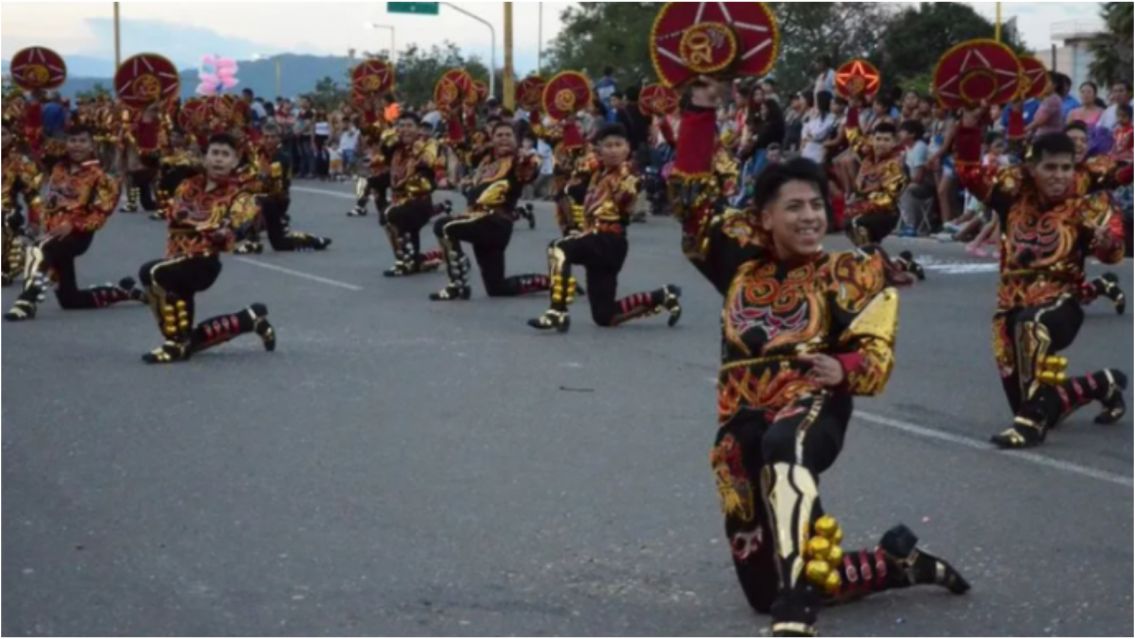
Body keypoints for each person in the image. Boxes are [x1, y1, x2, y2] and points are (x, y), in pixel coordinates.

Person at [670, 88, 969, 632]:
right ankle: (894, 564)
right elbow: (691, 206)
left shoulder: (847, 273)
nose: (810, 217)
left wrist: (846, 369)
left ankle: (796, 607)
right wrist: (699, 110)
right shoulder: (738, 268)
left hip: (813, 405)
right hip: (741, 419)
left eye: (816, 205)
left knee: (783, 447)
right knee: (762, 580)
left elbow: (874, 346)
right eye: (794, 207)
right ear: (764, 216)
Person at [955, 114, 1128, 449]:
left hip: (1061, 305)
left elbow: (1112, 255)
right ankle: (1102, 384)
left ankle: (1032, 426)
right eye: (1050, 168)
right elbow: (968, 172)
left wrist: (1107, 241)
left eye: (1065, 168)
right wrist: (969, 127)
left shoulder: (1087, 203)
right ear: (1033, 168)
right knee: (1031, 399)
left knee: (1031, 327)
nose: (1059, 176)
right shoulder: (1012, 195)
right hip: (1010, 306)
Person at [527, 124, 681, 332]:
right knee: (605, 316)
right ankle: (662, 295)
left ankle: (557, 311)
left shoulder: (628, 175)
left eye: (618, 145)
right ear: (598, 151)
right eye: (608, 146)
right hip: (599, 241)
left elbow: (625, 194)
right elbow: (568, 188)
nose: (614, 150)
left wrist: (632, 186)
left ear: (627, 149)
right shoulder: (597, 174)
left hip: (608, 239)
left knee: (559, 248)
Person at [136, 133, 275, 364]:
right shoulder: (187, 183)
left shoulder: (239, 194)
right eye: (215, 153)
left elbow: (242, 221)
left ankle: (175, 345)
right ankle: (249, 319)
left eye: (225, 155)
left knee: (151, 272)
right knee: (189, 334)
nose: (219, 160)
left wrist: (227, 231)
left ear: (235, 160)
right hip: (176, 257)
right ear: (205, 156)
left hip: (202, 261)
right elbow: (151, 160)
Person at [4, 124, 145, 321]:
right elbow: (33, 143)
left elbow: (102, 211)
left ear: (91, 144)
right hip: (53, 232)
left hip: (77, 235)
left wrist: (74, 224)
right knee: (70, 300)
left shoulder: (102, 176)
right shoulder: (59, 167)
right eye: (72, 140)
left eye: (82, 141)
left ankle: (26, 301)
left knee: (39, 249)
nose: (76, 146)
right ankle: (123, 291)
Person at [429, 122, 550, 301]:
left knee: (444, 226)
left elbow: (529, 172)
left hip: (495, 223)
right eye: (499, 135)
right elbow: (461, 149)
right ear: (492, 139)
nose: (503, 139)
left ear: (516, 140)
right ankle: (552, 281)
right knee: (496, 287)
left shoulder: (517, 161)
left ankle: (457, 285)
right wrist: (455, 118)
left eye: (508, 135)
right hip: (481, 224)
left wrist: (528, 160)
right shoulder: (487, 161)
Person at [842, 116, 925, 284]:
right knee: (859, 233)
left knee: (856, 224)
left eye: (886, 140)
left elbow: (889, 197)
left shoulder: (896, 164)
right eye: (878, 139)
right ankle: (902, 263)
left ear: (894, 142)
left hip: (885, 213)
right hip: (866, 209)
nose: (881, 143)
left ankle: (891, 273)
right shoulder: (868, 154)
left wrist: (860, 205)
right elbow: (853, 135)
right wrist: (852, 104)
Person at [243, 123, 332, 252]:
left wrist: (256, 181)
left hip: (276, 199)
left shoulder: (282, 157)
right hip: (263, 197)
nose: (269, 140)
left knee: (279, 244)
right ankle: (252, 234)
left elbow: (274, 185)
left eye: (272, 137)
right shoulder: (260, 154)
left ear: (278, 138)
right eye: (266, 137)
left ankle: (313, 240)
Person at [382, 112, 443, 277]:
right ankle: (417, 261)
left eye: (409, 126)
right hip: (400, 199)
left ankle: (404, 262)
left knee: (391, 217)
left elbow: (428, 161)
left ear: (418, 129)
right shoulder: (396, 148)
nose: (405, 130)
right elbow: (380, 143)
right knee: (406, 228)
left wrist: (416, 150)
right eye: (401, 126)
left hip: (420, 201)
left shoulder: (428, 143)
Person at [2, 118, 42, 286]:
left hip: (6, 214)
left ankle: (13, 263)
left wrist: (34, 221)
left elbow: (33, 196)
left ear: (11, 136)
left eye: (2, 134)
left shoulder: (20, 163)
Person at [800, 91, 836, 165]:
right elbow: (806, 131)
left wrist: (810, 136)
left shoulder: (832, 117)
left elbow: (819, 134)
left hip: (819, 150)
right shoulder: (817, 117)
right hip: (809, 149)